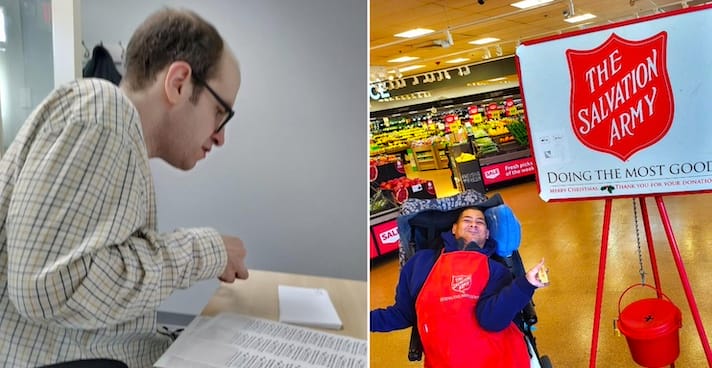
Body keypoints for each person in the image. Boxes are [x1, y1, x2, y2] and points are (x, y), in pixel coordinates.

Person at [0, 8, 248, 368]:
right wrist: (204, 250)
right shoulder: (104, 111)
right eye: (221, 112)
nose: (221, 136)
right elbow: (45, 286)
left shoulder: (116, 134)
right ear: (179, 82)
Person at [371, 206, 549, 367]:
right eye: (467, 220)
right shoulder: (420, 263)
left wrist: (527, 284)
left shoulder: (496, 269)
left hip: (499, 358)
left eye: (480, 222)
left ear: (487, 234)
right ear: (453, 229)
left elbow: (492, 320)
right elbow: (402, 314)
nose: (473, 224)